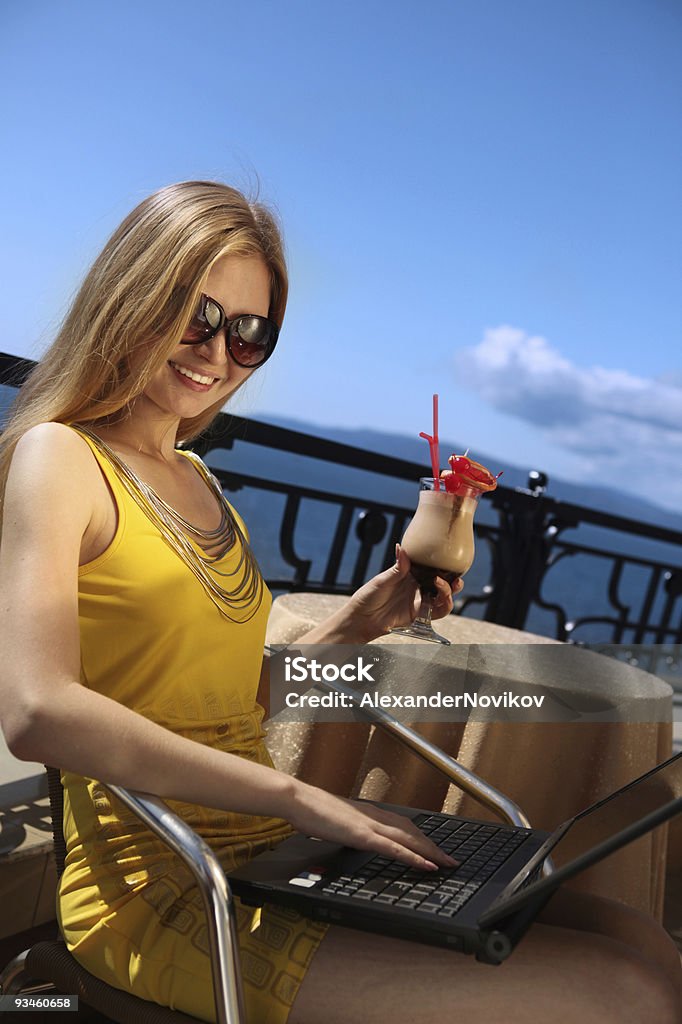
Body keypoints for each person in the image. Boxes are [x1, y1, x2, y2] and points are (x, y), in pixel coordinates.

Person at [0, 181, 679, 1024]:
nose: (216, 351)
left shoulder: (202, 482)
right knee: (631, 994)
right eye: (195, 312)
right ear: (132, 291)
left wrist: (366, 619)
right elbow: (36, 710)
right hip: (169, 884)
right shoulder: (60, 458)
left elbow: (234, 700)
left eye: (251, 334)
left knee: (643, 942)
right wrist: (300, 797)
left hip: (268, 852)